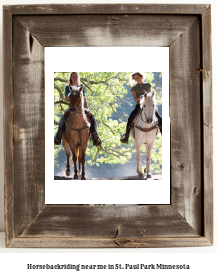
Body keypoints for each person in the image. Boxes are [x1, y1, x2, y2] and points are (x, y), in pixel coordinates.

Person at [54, 72, 101, 146]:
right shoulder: (68, 87)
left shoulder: (81, 86)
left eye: (76, 76)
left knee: (92, 117)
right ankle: (58, 135)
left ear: (78, 78)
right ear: (71, 78)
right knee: (63, 117)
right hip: (72, 107)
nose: (75, 78)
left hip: (82, 108)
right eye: (73, 77)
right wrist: (74, 98)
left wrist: (87, 108)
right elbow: (66, 99)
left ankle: (95, 135)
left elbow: (84, 99)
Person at [120, 72, 162, 144]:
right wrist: (141, 98)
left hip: (148, 106)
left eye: (138, 77)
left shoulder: (148, 85)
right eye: (135, 78)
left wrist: (147, 99)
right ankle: (126, 136)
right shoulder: (134, 88)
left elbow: (150, 96)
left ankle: (164, 133)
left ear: (141, 77)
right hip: (139, 106)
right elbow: (135, 99)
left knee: (160, 118)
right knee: (130, 118)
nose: (137, 79)